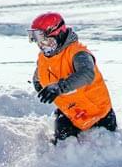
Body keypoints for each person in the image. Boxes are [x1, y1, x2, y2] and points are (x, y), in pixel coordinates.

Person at [28, 12, 117, 143]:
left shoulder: (78, 53)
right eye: (39, 41)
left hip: (99, 116)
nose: (42, 45)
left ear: (58, 33)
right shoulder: (43, 58)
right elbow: (39, 79)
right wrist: (42, 88)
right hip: (71, 116)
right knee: (62, 152)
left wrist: (59, 87)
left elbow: (87, 74)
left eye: (46, 40)